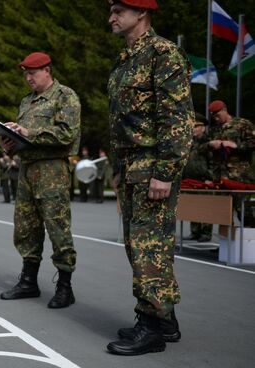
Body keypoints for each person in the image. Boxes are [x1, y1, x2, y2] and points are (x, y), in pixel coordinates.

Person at [107, 0, 194, 356]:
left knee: (148, 249)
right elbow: (119, 121)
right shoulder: (126, 59)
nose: (110, 18)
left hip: (151, 167)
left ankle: (151, 328)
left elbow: (177, 119)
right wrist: (115, 169)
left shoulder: (163, 53)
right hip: (129, 167)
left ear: (141, 12)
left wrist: (165, 172)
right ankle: (165, 319)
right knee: (140, 246)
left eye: (118, 11)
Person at [0, 51, 81, 310]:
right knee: (25, 228)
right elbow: (22, 142)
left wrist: (28, 132)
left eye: (32, 73)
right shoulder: (27, 102)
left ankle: (65, 287)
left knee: (57, 228)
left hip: (52, 172)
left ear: (47, 70)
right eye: (25, 73)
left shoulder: (65, 96)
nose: (28, 78)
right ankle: (28, 281)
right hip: (27, 171)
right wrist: (7, 142)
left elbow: (67, 134)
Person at [182, 114, 214, 242]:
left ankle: (206, 233)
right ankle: (195, 231)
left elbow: (213, 162)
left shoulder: (208, 142)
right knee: (193, 205)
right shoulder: (189, 142)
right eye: (193, 126)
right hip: (190, 179)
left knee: (205, 206)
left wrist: (211, 177)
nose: (194, 129)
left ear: (203, 128)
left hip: (204, 179)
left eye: (197, 126)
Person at [206, 100, 255, 183]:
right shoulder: (214, 129)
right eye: (214, 117)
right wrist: (210, 144)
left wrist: (236, 145)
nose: (216, 118)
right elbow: (201, 147)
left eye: (218, 115)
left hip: (238, 175)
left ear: (225, 110)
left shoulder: (243, 124)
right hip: (219, 175)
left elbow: (253, 142)